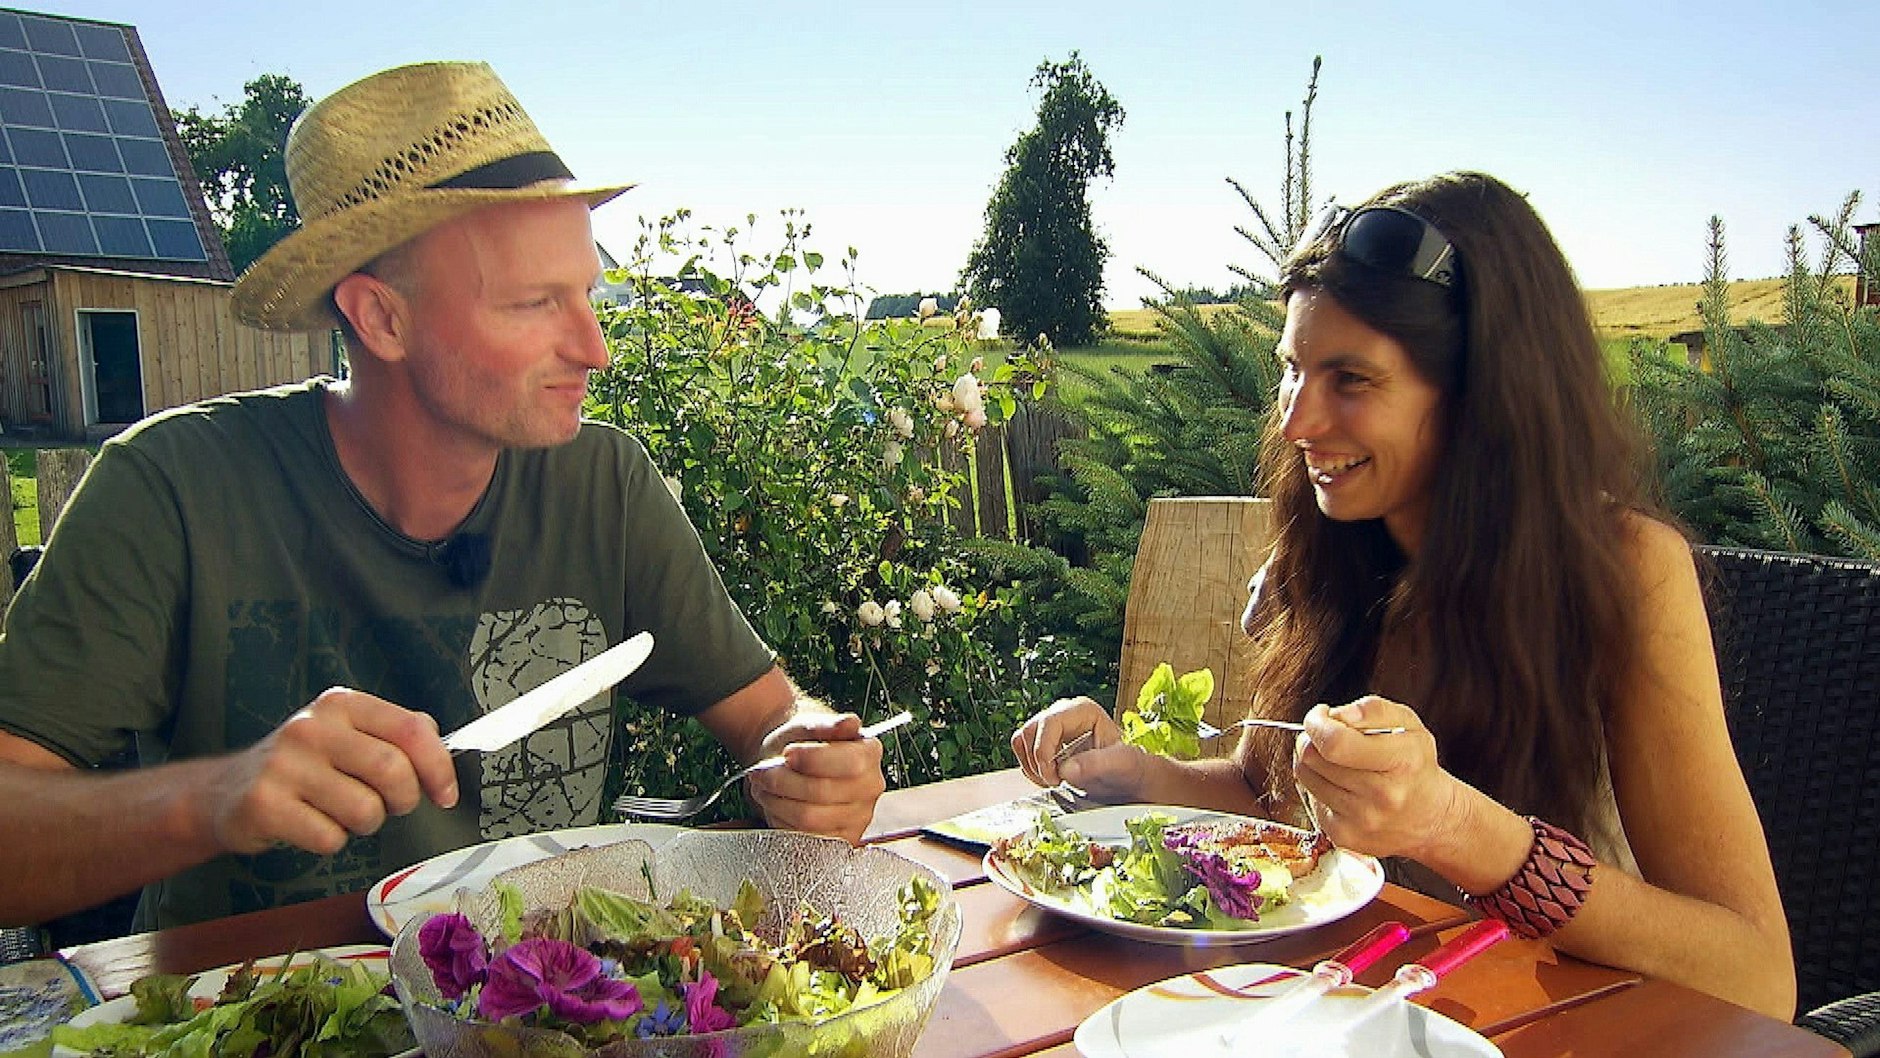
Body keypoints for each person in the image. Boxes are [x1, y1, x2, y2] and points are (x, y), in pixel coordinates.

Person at [0, 61, 887, 932]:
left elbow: (770, 713)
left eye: (586, 294)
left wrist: (804, 753)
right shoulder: (173, 490)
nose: (594, 348)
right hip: (251, 1001)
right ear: (381, 317)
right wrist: (213, 798)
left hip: (539, 998)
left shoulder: (603, 486)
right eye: (535, 304)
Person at [1011, 171, 1795, 1019]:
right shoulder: (1342, 541)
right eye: (1292, 370)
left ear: (1483, 394)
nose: (1297, 421)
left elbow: (1758, 976)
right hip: (1359, 1012)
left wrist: (1453, 825)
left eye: (1350, 379)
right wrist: (1139, 775)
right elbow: (1268, 795)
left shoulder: (1629, 571)